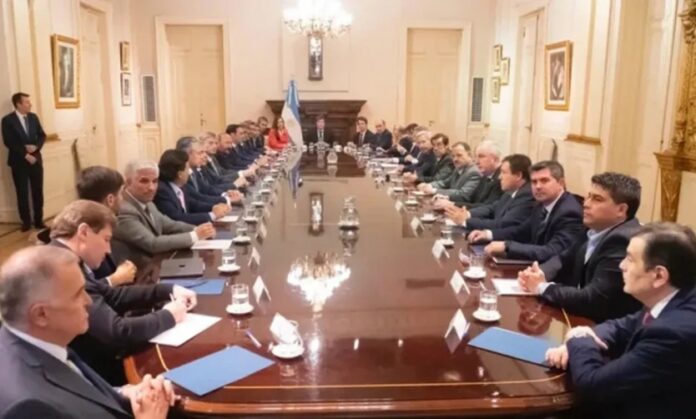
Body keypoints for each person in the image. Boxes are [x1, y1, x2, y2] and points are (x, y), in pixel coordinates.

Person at [0, 246, 176, 418]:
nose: (89, 301)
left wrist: (126, 393)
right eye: (78, 295)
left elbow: (79, 393)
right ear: (41, 314)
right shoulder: (27, 407)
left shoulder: (41, 338)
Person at [545, 222, 696, 419]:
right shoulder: (674, 295)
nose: (621, 265)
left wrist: (578, 338)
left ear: (659, 275)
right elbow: (623, 325)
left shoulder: (673, 334)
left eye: (630, 259)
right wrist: (588, 338)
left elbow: (592, 385)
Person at [50, 200, 195, 384]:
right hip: (93, 371)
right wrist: (169, 315)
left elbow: (113, 296)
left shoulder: (61, 256)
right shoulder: (62, 268)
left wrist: (167, 290)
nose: (108, 249)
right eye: (106, 239)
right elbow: (117, 332)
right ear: (84, 232)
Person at [518, 172, 643, 322]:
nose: (586, 204)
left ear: (621, 210)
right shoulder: (593, 228)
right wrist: (539, 273)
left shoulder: (623, 241)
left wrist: (541, 287)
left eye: (597, 199)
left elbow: (592, 299)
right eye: (588, 196)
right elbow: (563, 260)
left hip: (607, 327)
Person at [469, 160, 584, 262]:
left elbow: (552, 251)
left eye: (544, 181)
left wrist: (507, 246)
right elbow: (521, 232)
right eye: (534, 182)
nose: (538, 186)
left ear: (561, 183)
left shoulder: (570, 212)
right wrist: (487, 234)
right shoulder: (540, 204)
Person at [113, 159, 216, 269]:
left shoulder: (147, 202)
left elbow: (169, 224)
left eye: (155, 181)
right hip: (140, 273)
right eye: (144, 181)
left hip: (158, 264)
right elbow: (153, 244)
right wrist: (195, 235)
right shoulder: (124, 210)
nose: (151, 187)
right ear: (128, 182)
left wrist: (198, 229)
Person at [446, 154, 535, 231]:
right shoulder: (510, 192)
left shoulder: (526, 195)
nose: (500, 177)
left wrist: (465, 221)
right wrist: (467, 214)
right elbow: (491, 208)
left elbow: (503, 224)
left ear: (518, 175)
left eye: (504, 173)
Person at [1, 92, 46, 231]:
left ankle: (39, 221)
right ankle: (26, 222)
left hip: (36, 160)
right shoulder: (7, 120)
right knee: (22, 192)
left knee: (38, 191)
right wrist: (25, 155)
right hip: (19, 162)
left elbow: (42, 135)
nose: (30, 104)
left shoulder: (33, 117)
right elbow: (9, 141)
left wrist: (36, 147)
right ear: (18, 104)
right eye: (26, 102)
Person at [154, 149, 230, 225]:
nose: (189, 172)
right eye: (187, 168)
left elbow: (193, 204)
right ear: (180, 174)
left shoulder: (180, 185)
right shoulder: (162, 191)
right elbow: (177, 218)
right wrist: (212, 215)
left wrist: (214, 207)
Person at [438, 140, 503, 209]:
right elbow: (471, 199)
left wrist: (452, 204)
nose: (476, 161)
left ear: (495, 159)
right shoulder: (485, 176)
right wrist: (447, 198)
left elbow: (487, 208)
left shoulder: (501, 178)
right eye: (476, 157)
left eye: (481, 156)